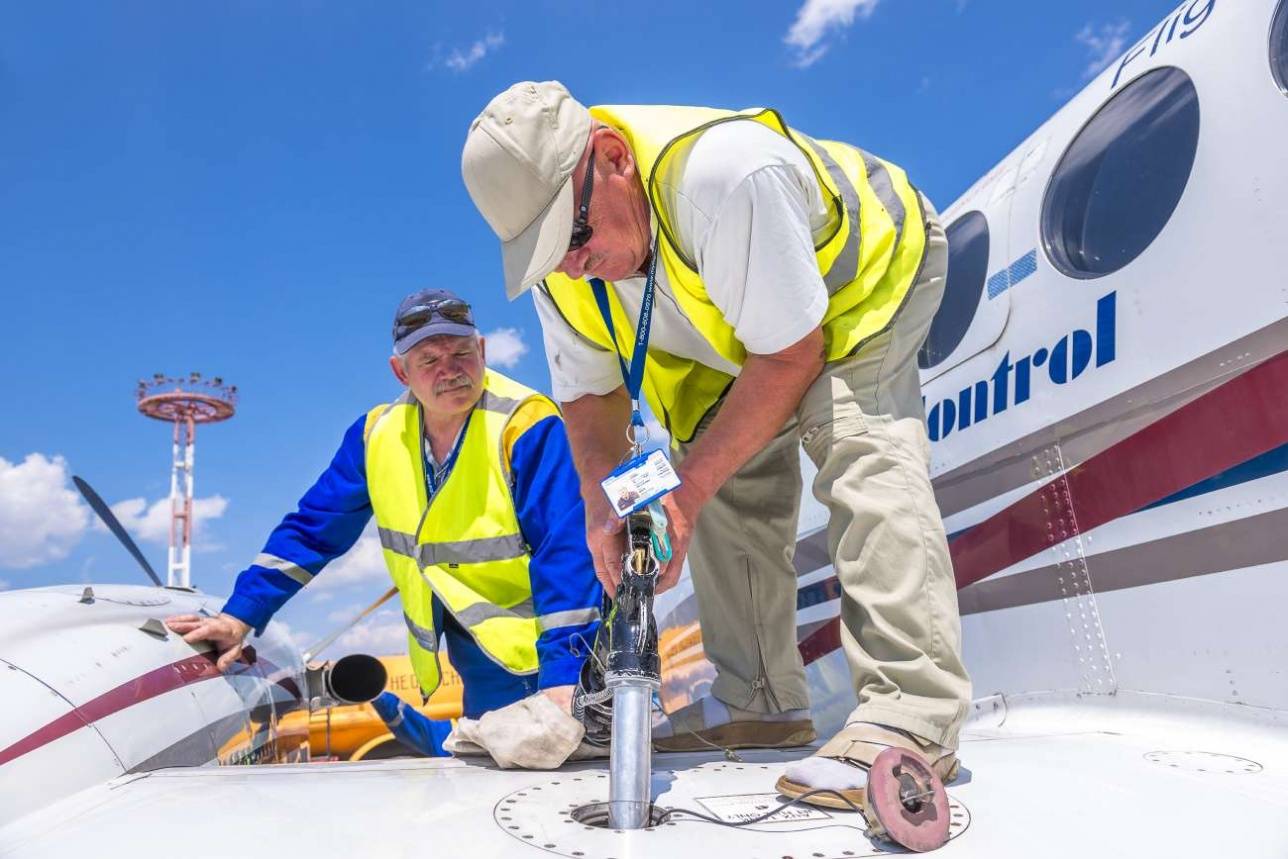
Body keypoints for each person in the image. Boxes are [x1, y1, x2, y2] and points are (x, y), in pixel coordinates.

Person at [460, 81, 972, 803]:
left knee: (858, 443)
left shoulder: (727, 176)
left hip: (861, 290)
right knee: (728, 486)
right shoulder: (563, 271)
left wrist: (686, 488)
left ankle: (912, 715)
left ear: (613, 159)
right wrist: (606, 505)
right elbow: (588, 397)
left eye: (574, 238)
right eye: (548, 255)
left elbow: (794, 355)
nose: (572, 265)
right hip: (735, 341)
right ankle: (759, 702)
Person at [166, 288, 604, 723]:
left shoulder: (526, 423)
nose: (450, 371)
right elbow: (311, 530)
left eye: (461, 353)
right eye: (429, 361)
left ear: (483, 350)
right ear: (401, 372)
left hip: (563, 654)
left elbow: (565, 548)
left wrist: (565, 674)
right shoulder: (376, 436)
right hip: (479, 658)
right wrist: (240, 614)